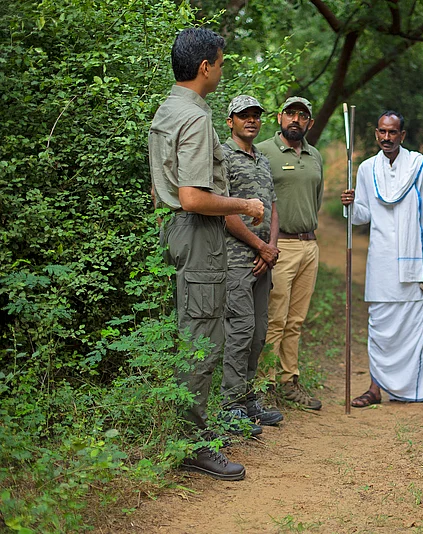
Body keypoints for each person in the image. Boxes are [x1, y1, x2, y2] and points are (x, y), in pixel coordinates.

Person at [149, 28, 264, 481]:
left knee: (193, 331)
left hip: (179, 232)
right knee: (202, 339)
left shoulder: (168, 108)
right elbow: (193, 197)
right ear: (204, 67)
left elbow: (163, 190)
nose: (220, 70)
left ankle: (190, 433)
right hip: (198, 233)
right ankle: (193, 444)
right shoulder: (195, 118)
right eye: (219, 63)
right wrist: (244, 205)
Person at [340, 111, 423, 407]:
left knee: (416, 325)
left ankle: (422, 389)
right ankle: (375, 388)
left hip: (413, 259)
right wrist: (350, 205)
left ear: (402, 135)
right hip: (381, 260)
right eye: (382, 132)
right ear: (376, 133)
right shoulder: (367, 168)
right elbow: (363, 215)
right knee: (380, 327)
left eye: (392, 132)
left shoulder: (418, 166)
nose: (387, 137)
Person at [220, 95, 284, 433]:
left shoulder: (262, 159)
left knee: (259, 333)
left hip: (263, 261)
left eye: (256, 115)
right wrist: (260, 247)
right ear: (230, 121)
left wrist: (270, 248)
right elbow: (226, 212)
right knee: (241, 330)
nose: (251, 120)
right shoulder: (222, 157)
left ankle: (247, 401)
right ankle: (230, 406)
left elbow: (272, 207)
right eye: (244, 115)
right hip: (236, 259)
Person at [256, 97, 324, 410]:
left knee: (296, 320)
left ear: (309, 122)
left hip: (309, 245)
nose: (296, 119)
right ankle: (264, 386)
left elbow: (316, 199)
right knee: (275, 319)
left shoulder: (314, 156)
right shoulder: (264, 152)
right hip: (279, 246)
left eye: (302, 115)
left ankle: (289, 381)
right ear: (280, 117)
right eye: (290, 113)